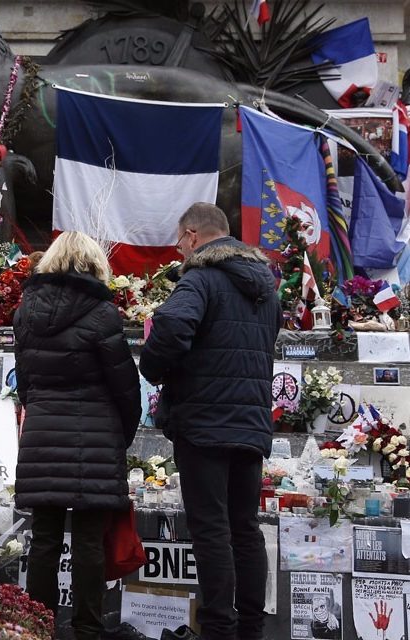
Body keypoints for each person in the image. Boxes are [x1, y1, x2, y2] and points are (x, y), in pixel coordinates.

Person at [139, 203, 280, 640]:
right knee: (245, 528)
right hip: (250, 424)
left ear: (194, 235)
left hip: (204, 423)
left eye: (180, 241)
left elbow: (171, 326)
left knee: (211, 529)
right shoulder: (266, 287)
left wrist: (154, 368)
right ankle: (251, 629)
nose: (180, 250)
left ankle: (219, 628)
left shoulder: (200, 278)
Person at [13, 231, 141, 640]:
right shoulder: (102, 313)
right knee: (89, 542)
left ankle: (38, 627)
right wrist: (120, 435)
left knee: (44, 540)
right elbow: (126, 387)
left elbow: (25, 382)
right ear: (93, 263)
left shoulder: (25, 311)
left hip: (42, 436)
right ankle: (87, 629)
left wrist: (41, 415)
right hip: (95, 438)